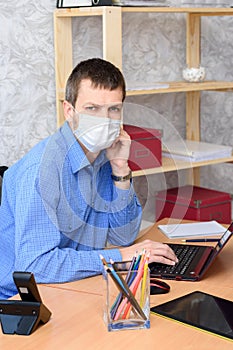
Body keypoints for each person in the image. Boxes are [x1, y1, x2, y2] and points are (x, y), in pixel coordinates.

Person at [0, 58, 178, 299]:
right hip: (21, 300)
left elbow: (122, 236)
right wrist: (122, 257)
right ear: (69, 111)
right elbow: (35, 266)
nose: (104, 120)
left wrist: (120, 168)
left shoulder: (104, 156)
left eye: (113, 109)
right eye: (92, 109)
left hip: (69, 285)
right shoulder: (42, 171)